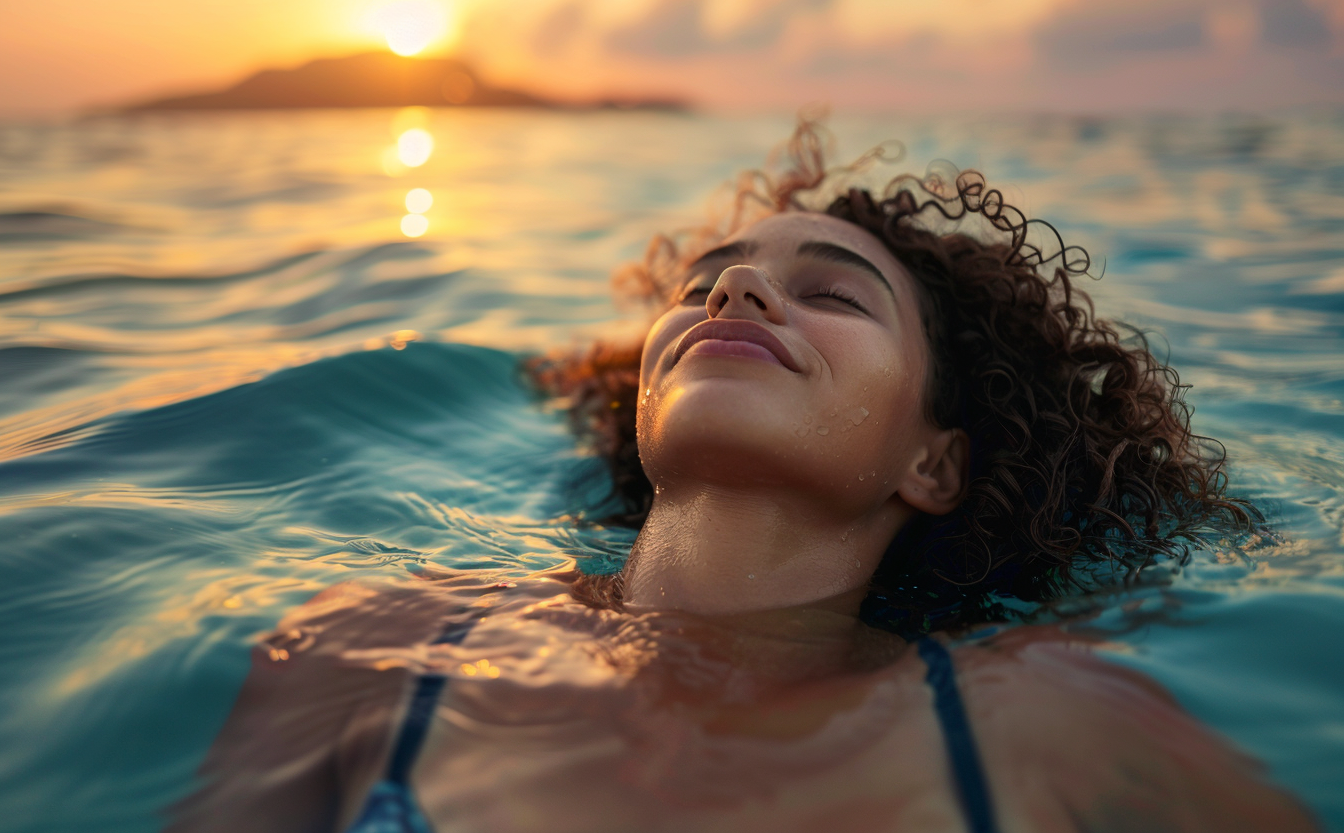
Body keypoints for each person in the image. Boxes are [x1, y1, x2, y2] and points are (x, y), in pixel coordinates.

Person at [169, 120, 1319, 833]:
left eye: (834, 293)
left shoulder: (1048, 716)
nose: (734, 295)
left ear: (936, 461)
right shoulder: (373, 654)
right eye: (708, 283)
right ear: (645, 401)